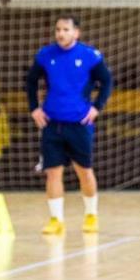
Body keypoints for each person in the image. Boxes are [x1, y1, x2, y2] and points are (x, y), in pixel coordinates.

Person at [26, 15, 113, 236]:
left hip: (79, 123)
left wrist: (97, 107)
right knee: (53, 173)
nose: (61, 34)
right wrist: (34, 108)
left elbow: (107, 81)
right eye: (58, 29)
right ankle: (56, 220)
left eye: (66, 29)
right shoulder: (45, 55)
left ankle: (91, 215)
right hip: (52, 124)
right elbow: (30, 81)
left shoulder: (90, 56)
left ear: (76, 33)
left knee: (84, 171)